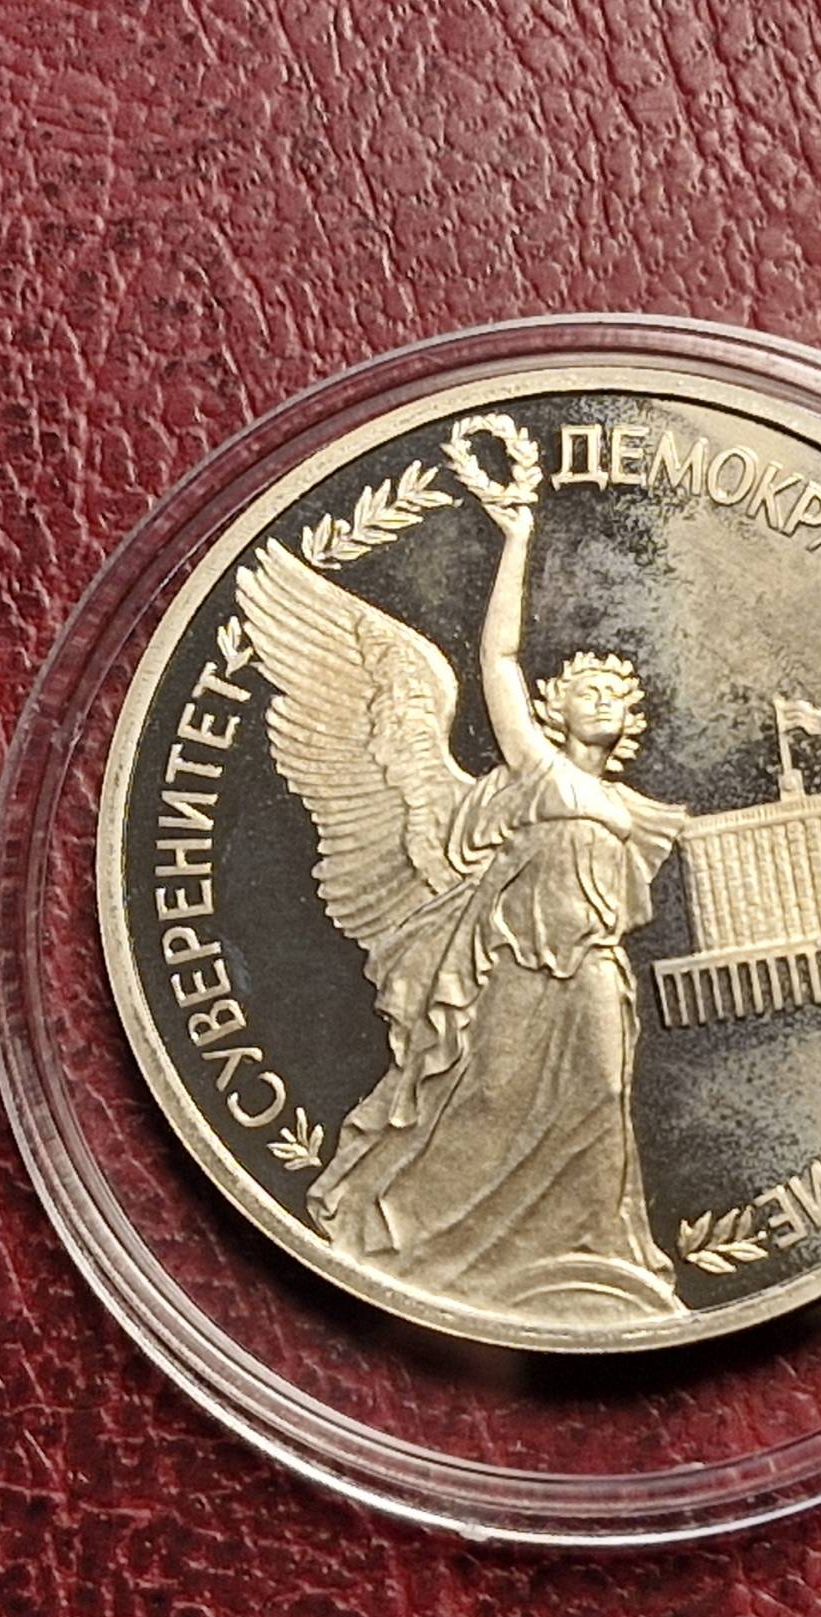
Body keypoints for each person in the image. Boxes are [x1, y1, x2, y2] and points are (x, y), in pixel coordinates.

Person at [302, 501, 689, 1324]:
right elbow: (499, 659)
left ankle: (597, 1252)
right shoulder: (539, 770)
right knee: (487, 1100)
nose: (602, 700)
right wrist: (516, 538)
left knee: (601, 1095)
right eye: (586, 690)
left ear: (629, 718)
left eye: (614, 694)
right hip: (520, 969)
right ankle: (439, 1248)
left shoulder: (629, 808)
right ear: (556, 710)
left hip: (594, 968)